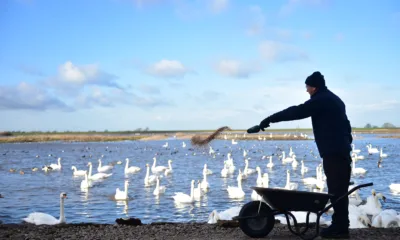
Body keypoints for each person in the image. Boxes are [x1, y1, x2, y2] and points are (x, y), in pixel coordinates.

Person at [247, 71, 352, 239]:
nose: (306, 90)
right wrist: (347, 144)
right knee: (339, 189)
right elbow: (347, 124)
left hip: (334, 152)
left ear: (314, 86)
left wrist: (269, 120)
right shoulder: (335, 100)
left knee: (337, 190)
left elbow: (296, 112)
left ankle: (340, 228)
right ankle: (341, 225)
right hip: (341, 151)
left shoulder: (320, 100)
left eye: (308, 87)